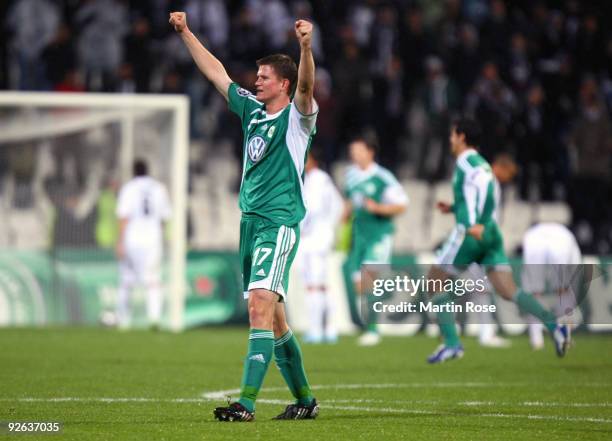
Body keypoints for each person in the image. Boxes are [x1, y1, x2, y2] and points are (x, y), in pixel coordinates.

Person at [169, 11, 319, 421]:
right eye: (258, 76)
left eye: (265, 77)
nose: (257, 81)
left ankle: (246, 404)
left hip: (278, 222)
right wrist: (186, 32)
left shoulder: (297, 120)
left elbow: (306, 85)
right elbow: (216, 72)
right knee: (274, 322)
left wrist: (305, 47)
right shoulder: (252, 111)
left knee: (259, 305)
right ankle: (305, 401)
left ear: (283, 84)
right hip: (249, 224)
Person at [426, 117, 570, 363]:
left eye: (452, 135)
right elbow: (479, 192)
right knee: (507, 289)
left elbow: (485, 186)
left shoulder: (467, 161)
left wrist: (475, 221)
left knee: (433, 284)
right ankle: (555, 325)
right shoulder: (478, 163)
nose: (450, 139)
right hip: (491, 234)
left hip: (472, 233)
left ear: (462, 137)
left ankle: (452, 344)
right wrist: (453, 208)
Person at [342, 137, 408, 346]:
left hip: (379, 235)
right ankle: (369, 324)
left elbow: (401, 205)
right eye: (352, 150)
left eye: (358, 150)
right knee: (359, 285)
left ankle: (373, 329)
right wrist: (345, 214)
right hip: (358, 236)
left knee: (369, 279)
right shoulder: (351, 175)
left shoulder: (383, 177)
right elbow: (352, 200)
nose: (354, 154)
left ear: (370, 152)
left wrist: (379, 208)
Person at [116, 159, 171, 329]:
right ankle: (154, 319)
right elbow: (164, 218)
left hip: (132, 239)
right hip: (152, 240)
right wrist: (160, 236)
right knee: (153, 279)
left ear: (133, 171)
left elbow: (124, 217)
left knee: (126, 279)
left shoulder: (129, 188)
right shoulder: (159, 188)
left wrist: (120, 241)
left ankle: (123, 321)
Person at [299, 149, 343, 344]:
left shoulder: (318, 179)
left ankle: (319, 329)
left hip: (316, 239)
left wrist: (301, 227)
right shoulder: (314, 180)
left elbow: (312, 210)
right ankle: (326, 328)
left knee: (315, 285)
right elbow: (338, 206)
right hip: (315, 238)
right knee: (318, 285)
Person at [522, 223, 582, 350]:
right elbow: (573, 270)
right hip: (558, 240)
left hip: (533, 237)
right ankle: (565, 336)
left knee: (535, 292)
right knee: (563, 290)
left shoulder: (535, 233)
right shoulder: (567, 237)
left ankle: (536, 340)